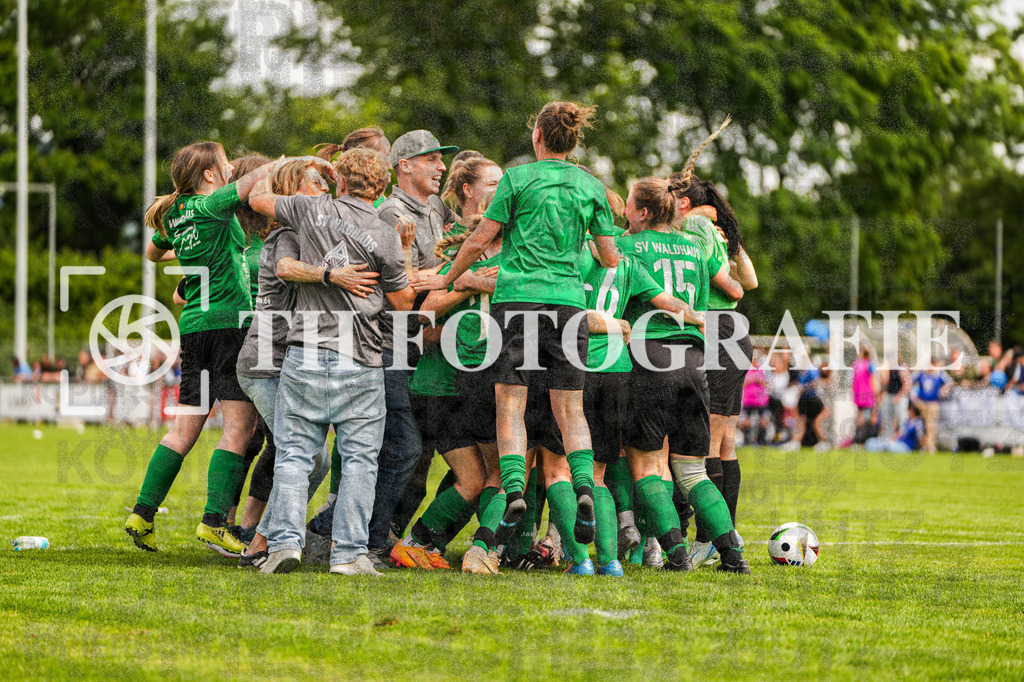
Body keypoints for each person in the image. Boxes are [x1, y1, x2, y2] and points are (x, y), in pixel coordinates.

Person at [418, 102, 622, 566]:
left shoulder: (516, 179)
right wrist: (581, 237)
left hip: (519, 300)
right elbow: (609, 257)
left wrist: (448, 278)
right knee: (570, 408)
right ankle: (585, 486)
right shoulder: (590, 185)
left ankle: (513, 491)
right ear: (573, 141)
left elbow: (476, 239)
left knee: (510, 404)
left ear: (537, 137)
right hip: (569, 303)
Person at [247, 147, 417, 576]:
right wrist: (405, 256)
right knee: (360, 458)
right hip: (360, 359)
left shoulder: (310, 208)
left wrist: (290, 165)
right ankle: (348, 554)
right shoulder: (384, 234)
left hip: (303, 352)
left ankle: (284, 544)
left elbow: (256, 199)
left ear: (339, 180)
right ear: (381, 187)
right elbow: (403, 303)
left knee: (294, 454)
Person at [124, 142, 285, 557]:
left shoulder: (176, 213)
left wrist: (197, 253)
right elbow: (250, 183)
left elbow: (152, 253)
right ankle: (214, 522)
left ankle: (142, 513)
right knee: (239, 429)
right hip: (230, 326)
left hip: (193, 327)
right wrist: (288, 163)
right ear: (211, 175)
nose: (231, 166)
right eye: (225, 162)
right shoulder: (212, 204)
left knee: (182, 430)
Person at [233, 158, 372, 568]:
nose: (324, 191)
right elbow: (284, 268)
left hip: (287, 363)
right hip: (264, 364)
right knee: (310, 457)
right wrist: (332, 276)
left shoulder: (311, 229)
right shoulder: (288, 232)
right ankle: (264, 543)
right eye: (315, 183)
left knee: (308, 456)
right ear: (293, 189)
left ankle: (263, 542)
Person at [617, 176, 749, 573]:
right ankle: (732, 554)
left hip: (651, 354)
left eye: (628, 204)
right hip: (696, 359)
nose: (624, 210)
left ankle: (675, 553)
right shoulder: (693, 245)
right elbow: (733, 284)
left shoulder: (626, 246)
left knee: (648, 464)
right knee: (692, 467)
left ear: (642, 210)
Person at [912, 357, 952, 453]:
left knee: (931, 425)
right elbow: (910, 381)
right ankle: (925, 445)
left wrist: (943, 391)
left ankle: (930, 446)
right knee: (922, 425)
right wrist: (914, 397)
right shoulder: (921, 373)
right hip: (922, 403)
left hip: (933, 403)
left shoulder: (939, 374)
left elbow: (950, 382)